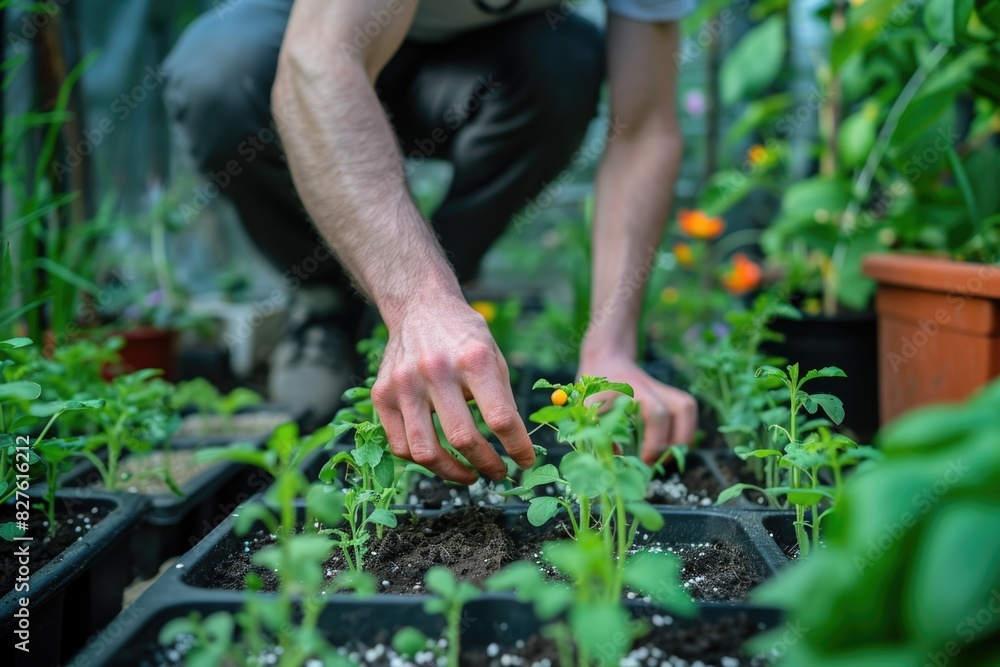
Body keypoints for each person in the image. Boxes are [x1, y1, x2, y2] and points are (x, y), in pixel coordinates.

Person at [163, 0, 698, 485]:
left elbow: (645, 127)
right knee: (219, 74)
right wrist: (417, 296)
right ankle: (332, 302)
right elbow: (317, 66)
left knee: (565, 56)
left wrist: (611, 348)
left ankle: (439, 322)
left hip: (474, 73)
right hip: (300, 40)